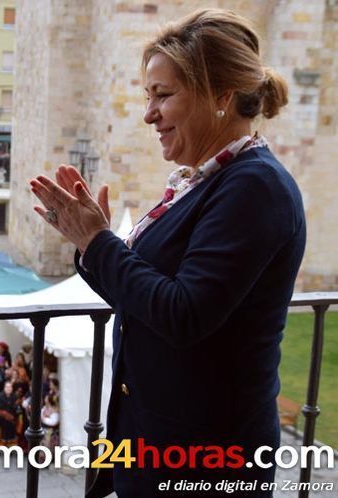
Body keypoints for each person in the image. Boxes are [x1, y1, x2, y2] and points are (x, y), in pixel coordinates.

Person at [30, 9, 305, 497]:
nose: (148, 114)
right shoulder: (205, 179)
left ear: (220, 96)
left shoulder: (255, 187)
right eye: (147, 96)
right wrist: (86, 243)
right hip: (156, 445)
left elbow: (183, 313)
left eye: (162, 96)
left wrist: (100, 243)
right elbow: (143, 291)